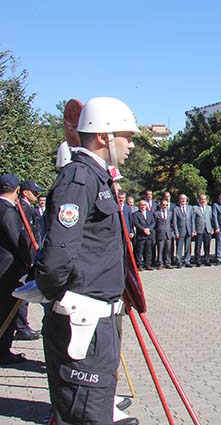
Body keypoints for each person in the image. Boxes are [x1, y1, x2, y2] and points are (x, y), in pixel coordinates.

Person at [36, 96, 140, 424]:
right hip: (82, 320)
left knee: (93, 410)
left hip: (98, 322)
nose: (132, 144)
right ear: (103, 136)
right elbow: (57, 256)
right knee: (86, 415)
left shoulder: (97, 177)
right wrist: (60, 296)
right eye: (128, 136)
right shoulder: (78, 178)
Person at [0, 173, 34, 364]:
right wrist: (30, 261)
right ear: (18, 190)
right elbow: (17, 240)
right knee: (7, 310)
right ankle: (3, 351)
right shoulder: (8, 211)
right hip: (8, 269)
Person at [15, 180, 42, 341]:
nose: (37, 195)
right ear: (25, 193)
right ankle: (21, 327)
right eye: (35, 193)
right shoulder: (22, 208)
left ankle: (23, 325)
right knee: (23, 292)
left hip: (31, 253)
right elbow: (25, 235)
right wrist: (30, 256)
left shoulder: (29, 208)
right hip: (26, 256)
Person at [172, 194, 195, 268]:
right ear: (179, 200)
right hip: (180, 231)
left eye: (184, 199)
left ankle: (187, 261)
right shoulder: (176, 209)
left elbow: (192, 220)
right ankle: (179, 261)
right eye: (181, 199)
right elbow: (174, 222)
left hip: (189, 230)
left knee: (188, 247)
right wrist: (176, 232)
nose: (183, 200)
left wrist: (193, 230)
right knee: (179, 247)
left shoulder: (190, 208)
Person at [132, 200, 155, 270]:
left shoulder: (150, 213)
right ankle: (140, 265)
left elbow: (153, 222)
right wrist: (143, 230)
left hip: (149, 235)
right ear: (139, 206)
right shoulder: (136, 214)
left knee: (148, 251)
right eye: (141, 205)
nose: (143, 206)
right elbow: (136, 223)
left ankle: (147, 264)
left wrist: (149, 229)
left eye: (144, 205)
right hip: (141, 235)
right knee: (139, 251)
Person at [193, 194, 214, 267]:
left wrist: (212, 228)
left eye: (204, 199)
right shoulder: (195, 208)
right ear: (199, 200)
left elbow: (211, 219)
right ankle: (198, 261)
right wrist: (194, 230)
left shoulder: (209, 208)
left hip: (208, 229)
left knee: (207, 246)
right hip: (199, 230)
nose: (203, 201)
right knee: (198, 246)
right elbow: (193, 220)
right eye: (202, 199)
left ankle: (207, 260)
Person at [154, 197, 175, 269]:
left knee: (168, 249)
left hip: (168, 234)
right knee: (160, 249)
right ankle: (160, 263)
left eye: (166, 205)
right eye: (163, 205)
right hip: (160, 234)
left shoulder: (170, 213)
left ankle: (168, 263)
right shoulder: (156, 214)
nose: (165, 206)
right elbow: (154, 224)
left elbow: (172, 223)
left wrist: (172, 231)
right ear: (160, 205)